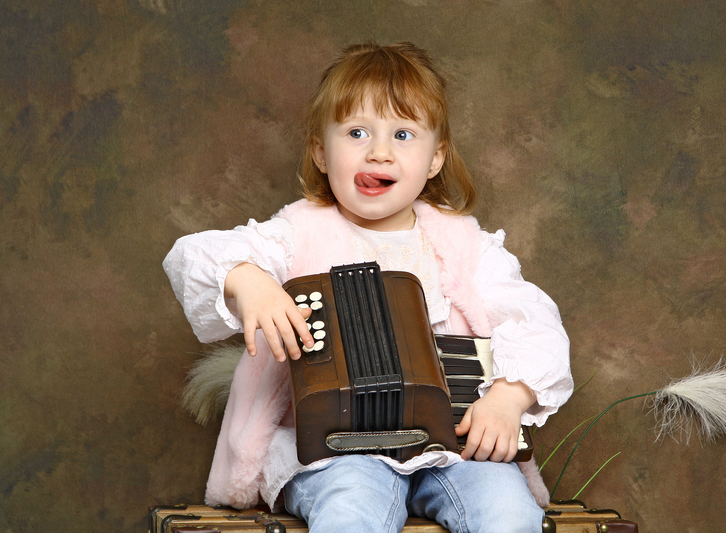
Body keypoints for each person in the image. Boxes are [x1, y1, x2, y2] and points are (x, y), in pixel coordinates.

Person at [163, 42, 572, 533]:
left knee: (509, 510)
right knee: (353, 504)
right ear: (321, 152)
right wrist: (247, 279)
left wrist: (507, 398)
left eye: (403, 134)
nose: (379, 151)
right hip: (335, 451)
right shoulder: (297, 234)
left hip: (452, 448)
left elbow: (535, 323)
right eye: (357, 133)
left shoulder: (465, 245)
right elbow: (192, 256)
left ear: (436, 158)